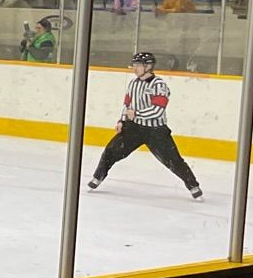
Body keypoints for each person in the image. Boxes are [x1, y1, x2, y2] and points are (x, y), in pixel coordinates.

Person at [87, 51, 203, 200]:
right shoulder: (133, 83)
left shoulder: (159, 85)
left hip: (156, 131)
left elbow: (158, 109)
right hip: (134, 128)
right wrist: (122, 121)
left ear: (148, 66)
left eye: (138, 65)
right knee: (110, 151)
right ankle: (97, 177)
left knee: (173, 160)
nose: (134, 68)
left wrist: (136, 114)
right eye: (134, 65)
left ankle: (193, 186)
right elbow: (127, 104)